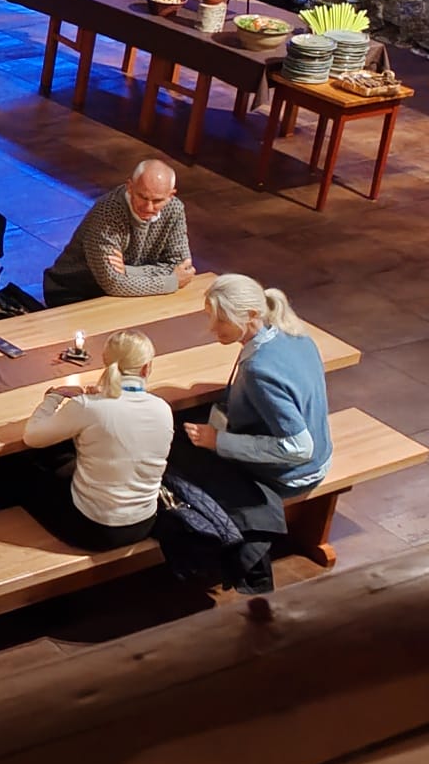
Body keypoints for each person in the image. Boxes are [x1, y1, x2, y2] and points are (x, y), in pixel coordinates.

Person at [20, 330, 172, 550]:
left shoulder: (88, 406)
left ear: (105, 361)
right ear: (146, 367)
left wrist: (53, 397)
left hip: (94, 529)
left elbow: (32, 436)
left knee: (21, 471)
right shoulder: (162, 409)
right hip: (145, 522)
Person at [183, 275, 332, 495]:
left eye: (222, 319)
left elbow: (299, 448)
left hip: (294, 475)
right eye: (210, 317)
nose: (213, 327)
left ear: (251, 315)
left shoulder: (258, 371)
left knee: (183, 462)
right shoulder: (294, 333)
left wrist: (218, 441)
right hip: (322, 456)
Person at [41, 159, 195, 307]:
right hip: (75, 291)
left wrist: (129, 271)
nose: (148, 207)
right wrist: (171, 281)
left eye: (157, 201)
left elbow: (182, 266)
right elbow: (113, 283)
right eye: (142, 197)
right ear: (130, 187)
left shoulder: (174, 209)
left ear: (171, 195)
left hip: (128, 292)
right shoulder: (108, 212)